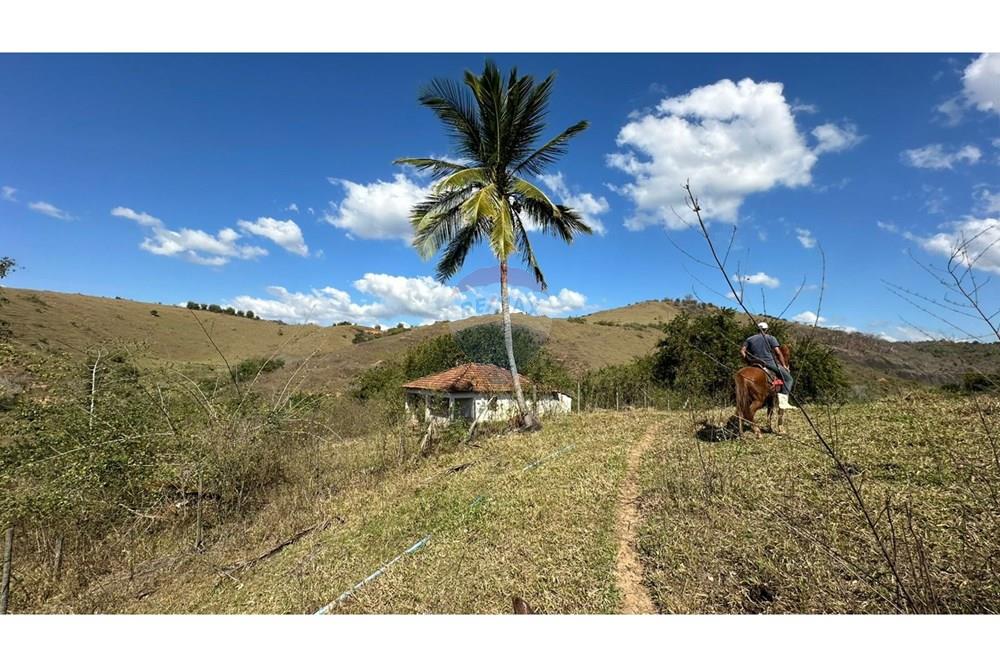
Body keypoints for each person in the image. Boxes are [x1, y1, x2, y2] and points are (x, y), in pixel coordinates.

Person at [740, 321, 797, 410]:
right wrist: (784, 366)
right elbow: (778, 353)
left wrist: (748, 360)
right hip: (769, 363)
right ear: (766, 329)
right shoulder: (771, 338)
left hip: (754, 363)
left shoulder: (749, 339)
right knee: (789, 379)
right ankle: (783, 402)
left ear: (757, 329)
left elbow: (742, 351)